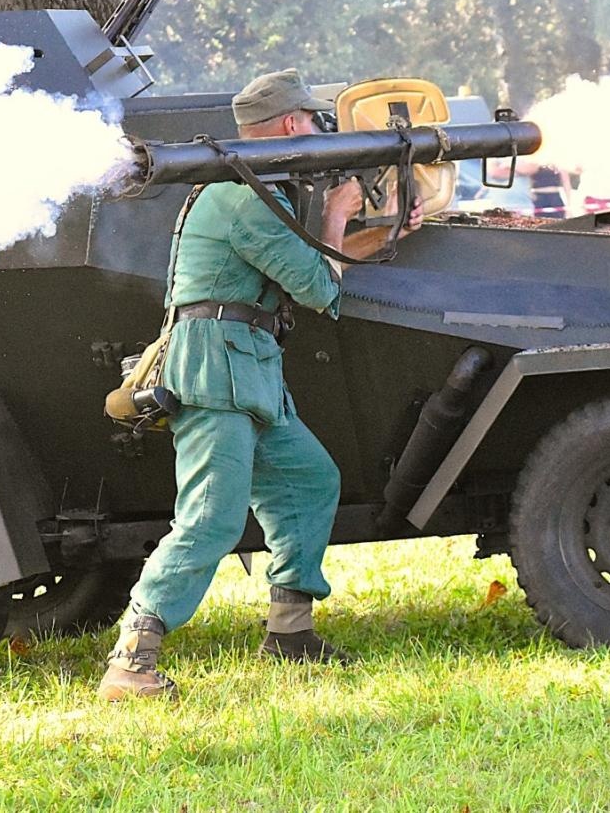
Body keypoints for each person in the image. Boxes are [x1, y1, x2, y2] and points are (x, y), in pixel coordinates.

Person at [98, 69, 424, 701]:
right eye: (308, 118)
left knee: (308, 480)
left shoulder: (250, 191)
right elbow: (319, 286)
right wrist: (337, 215)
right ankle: (131, 661)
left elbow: (296, 259)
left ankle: (290, 633)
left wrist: (372, 231)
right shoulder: (240, 196)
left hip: (245, 368)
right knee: (211, 519)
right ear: (286, 127)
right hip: (215, 370)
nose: (315, 128)